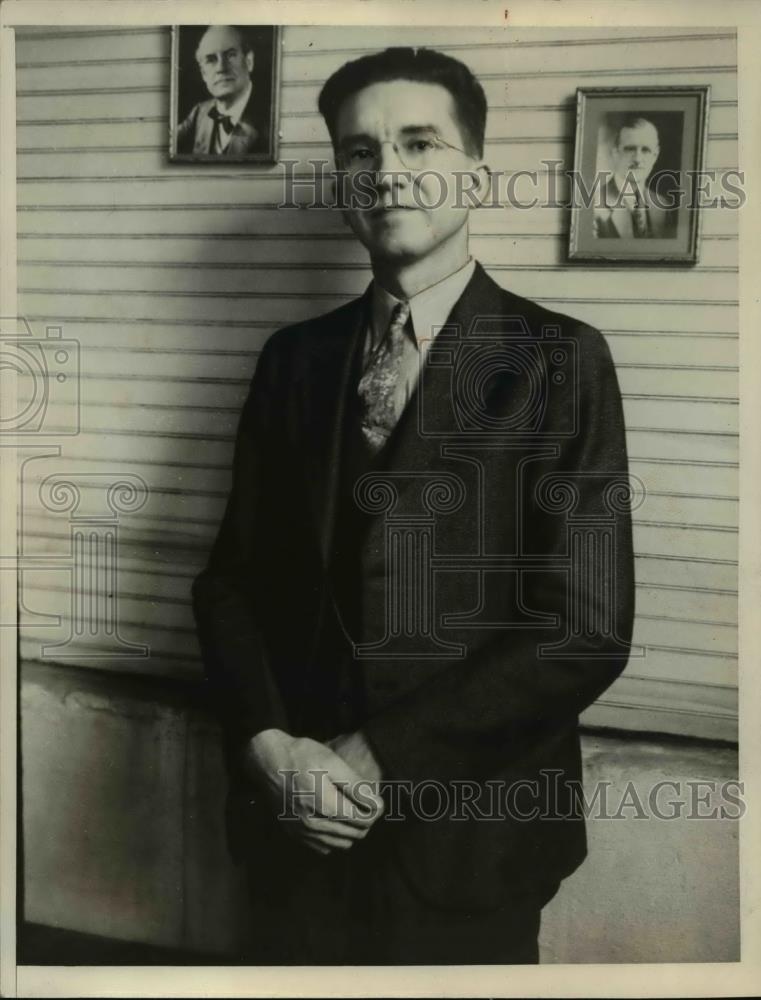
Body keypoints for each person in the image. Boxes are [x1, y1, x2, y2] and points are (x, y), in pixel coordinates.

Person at [193, 46, 635, 965]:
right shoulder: (293, 360)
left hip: (472, 844)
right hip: (293, 827)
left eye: (418, 143)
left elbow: (582, 626)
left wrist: (379, 755)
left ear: (474, 168)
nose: (386, 172)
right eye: (358, 152)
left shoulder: (562, 359)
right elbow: (231, 583)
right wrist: (267, 747)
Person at [176, 25, 265, 157]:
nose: (221, 68)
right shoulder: (199, 112)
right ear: (203, 74)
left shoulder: (269, 117)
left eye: (230, 55)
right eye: (211, 60)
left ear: (249, 61)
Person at [594, 115, 677, 238]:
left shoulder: (663, 206)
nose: (638, 159)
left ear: (655, 155)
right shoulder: (593, 205)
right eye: (630, 149)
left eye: (645, 150)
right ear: (615, 153)